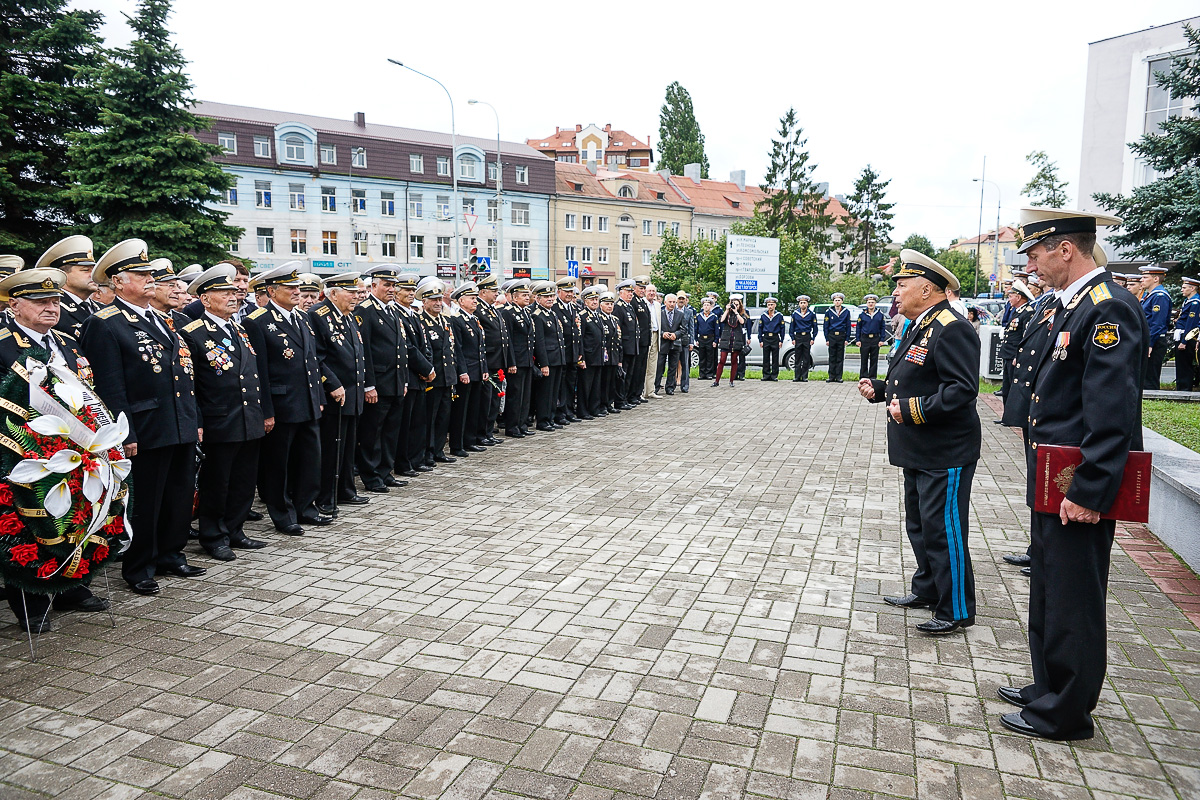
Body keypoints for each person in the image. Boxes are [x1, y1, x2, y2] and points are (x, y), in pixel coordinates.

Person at [997, 207, 1145, 742]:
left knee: (1074, 595)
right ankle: (1049, 685)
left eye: (1035, 254)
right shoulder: (1071, 305)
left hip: (1076, 483)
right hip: (1051, 477)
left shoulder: (1108, 309)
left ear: (1065, 248)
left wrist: (1088, 490)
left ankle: (1067, 710)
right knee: (1050, 587)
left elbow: (1111, 414)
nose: (1031, 267)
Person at [858, 249, 980, 636]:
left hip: (944, 449)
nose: (897, 292)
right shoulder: (919, 324)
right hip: (919, 447)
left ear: (927, 289)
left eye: (903, 284)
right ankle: (927, 589)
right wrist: (880, 390)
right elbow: (915, 376)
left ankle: (956, 608)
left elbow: (961, 389)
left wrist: (910, 409)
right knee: (920, 525)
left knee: (944, 529)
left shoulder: (951, 326)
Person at [80, 239, 204, 596]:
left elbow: (182, 375)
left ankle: (170, 553)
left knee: (179, 494)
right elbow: (109, 385)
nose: (150, 279)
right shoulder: (105, 323)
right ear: (118, 281)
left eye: (151, 274)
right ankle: (139, 566)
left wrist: (192, 419)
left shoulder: (164, 319)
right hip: (144, 427)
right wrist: (125, 432)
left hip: (177, 421)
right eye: (140, 274)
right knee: (146, 500)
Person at [0, 267, 109, 631]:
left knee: (73, 519)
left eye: (55, 300)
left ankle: (70, 588)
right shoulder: (3, 344)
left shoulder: (67, 342)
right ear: (14, 305)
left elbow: (88, 394)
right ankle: (30, 602)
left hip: (74, 451)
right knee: (28, 524)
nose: (51, 307)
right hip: (23, 449)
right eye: (40, 301)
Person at [178, 265, 267, 561]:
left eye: (234, 291)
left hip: (248, 417)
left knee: (244, 479)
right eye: (225, 292)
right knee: (218, 481)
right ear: (205, 298)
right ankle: (213, 535)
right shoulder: (193, 333)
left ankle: (235, 529)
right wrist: (199, 422)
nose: (234, 296)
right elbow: (191, 383)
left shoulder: (239, 329)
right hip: (219, 418)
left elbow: (253, 374)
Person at [243, 265, 329, 535]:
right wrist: (266, 411)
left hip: (307, 401)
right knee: (278, 465)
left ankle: (306, 507)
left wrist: (318, 397)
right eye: (290, 288)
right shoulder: (257, 321)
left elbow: (311, 362)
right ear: (271, 291)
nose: (297, 292)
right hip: (282, 405)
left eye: (298, 287)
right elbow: (261, 372)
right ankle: (283, 514)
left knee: (309, 459)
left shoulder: (302, 318)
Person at [308, 272, 369, 514]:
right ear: (333, 293)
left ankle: (345, 489)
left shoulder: (348, 317)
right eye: (350, 292)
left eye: (357, 292)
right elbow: (317, 356)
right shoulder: (318, 315)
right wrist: (331, 383)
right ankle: (326, 497)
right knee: (331, 447)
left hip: (352, 391)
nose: (356, 297)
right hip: (333, 393)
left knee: (347, 446)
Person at [354, 265, 408, 493]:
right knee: (372, 432)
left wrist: (403, 380)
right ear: (373, 285)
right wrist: (369, 384)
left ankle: (385, 472)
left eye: (394, 285)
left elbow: (400, 348)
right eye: (387, 285)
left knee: (390, 431)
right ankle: (371, 476)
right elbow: (363, 350)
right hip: (378, 382)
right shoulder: (365, 310)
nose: (391, 289)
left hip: (394, 381)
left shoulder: (391, 310)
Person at [417, 277, 458, 461]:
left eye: (440, 300)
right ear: (424, 302)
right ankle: (427, 452)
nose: (438, 303)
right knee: (429, 418)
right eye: (433, 300)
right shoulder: (421, 322)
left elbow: (451, 349)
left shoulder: (445, 321)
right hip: (432, 378)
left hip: (446, 377)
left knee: (444, 417)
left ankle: (439, 451)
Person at [448, 281, 488, 454]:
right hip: (466, 371)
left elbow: (480, 347)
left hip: (477, 370)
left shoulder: (474, 319)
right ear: (461, 301)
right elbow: (458, 348)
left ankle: (470, 440)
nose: (475, 301)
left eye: (476, 298)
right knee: (461, 409)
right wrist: (462, 371)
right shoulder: (457, 320)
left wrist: (484, 368)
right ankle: (457, 444)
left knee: (474, 408)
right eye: (471, 298)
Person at [36, 236, 100, 339]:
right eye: (85, 270)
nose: (92, 275)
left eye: (93, 270)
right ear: (63, 275)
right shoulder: (53, 310)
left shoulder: (101, 308)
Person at [474, 274, 510, 445]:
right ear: (483, 292)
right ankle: (481, 434)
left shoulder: (492, 309)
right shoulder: (479, 310)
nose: (496, 294)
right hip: (488, 361)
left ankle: (488, 432)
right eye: (493, 291)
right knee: (485, 402)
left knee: (494, 400)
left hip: (497, 361)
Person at [500, 279, 535, 438]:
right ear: (514, 298)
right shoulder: (508, 312)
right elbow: (508, 340)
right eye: (523, 295)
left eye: (528, 295)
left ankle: (522, 424)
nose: (527, 298)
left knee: (525, 394)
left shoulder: (526, 312)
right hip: (516, 361)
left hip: (526, 360)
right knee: (515, 394)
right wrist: (511, 362)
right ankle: (512, 426)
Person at [529, 281, 563, 431]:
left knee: (554, 391)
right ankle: (543, 420)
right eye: (546, 296)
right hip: (548, 360)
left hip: (557, 358)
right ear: (538, 299)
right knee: (545, 392)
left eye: (551, 296)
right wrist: (543, 364)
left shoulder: (552, 313)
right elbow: (540, 342)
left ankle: (551, 417)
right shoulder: (538, 316)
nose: (550, 299)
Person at [998, 280, 1035, 406]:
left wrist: (1018, 355)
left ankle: (1011, 415)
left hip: (1014, 354)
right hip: (1008, 353)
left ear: (1018, 297)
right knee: (1006, 385)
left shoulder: (1028, 312)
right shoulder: (1017, 311)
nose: (1009, 299)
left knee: (1014, 386)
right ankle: (1006, 415)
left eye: (1010, 296)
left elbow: (1025, 336)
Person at [1139, 264, 1172, 390]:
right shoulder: (1151, 295)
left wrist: (1150, 344)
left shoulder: (1160, 296)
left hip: (1155, 340)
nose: (1141, 279)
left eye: (1145, 277)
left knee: (1150, 377)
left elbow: (1157, 323)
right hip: (1149, 339)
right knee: (1146, 374)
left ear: (1156, 279)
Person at [576, 285, 606, 417]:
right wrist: (581, 358)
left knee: (596, 385)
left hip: (598, 355)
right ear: (585, 301)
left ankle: (594, 408)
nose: (595, 302)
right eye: (591, 299)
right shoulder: (583, 315)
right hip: (588, 356)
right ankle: (583, 411)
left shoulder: (597, 315)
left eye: (596, 299)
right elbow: (580, 338)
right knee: (585, 386)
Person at [553, 278, 580, 423]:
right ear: (559, 292)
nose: (570, 294)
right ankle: (560, 412)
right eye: (567, 291)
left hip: (573, 353)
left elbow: (577, 331)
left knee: (570, 383)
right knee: (561, 385)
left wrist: (579, 351)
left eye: (572, 291)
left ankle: (569, 411)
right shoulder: (555, 308)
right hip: (561, 353)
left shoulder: (573, 308)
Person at [612, 280, 640, 409]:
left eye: (631, 292)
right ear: (621, 292)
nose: (631, 294)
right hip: (624, 347)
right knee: (622, 375)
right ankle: (620, 400)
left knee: (629, 375)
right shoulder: (618, 307)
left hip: (632, 347)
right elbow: (618, 329)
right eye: (628, 292)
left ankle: (626, 397)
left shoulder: (629, 306)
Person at [713, 293, 748, 387]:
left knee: (734, 360)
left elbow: (742, 321)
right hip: (726, 339)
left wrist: (736, 312)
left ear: (740, 305)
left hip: (736, 340)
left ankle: (731, 381)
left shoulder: (742, 314)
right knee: (722, 360)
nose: (734, 306)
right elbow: (721, 320)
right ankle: (716, 381)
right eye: (733, 304)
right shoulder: (727, 313)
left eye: (737, 304)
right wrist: (727, 310)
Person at [655, 293, 685, 395]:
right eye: (670, 302)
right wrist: (663, 334)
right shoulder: (660, 314)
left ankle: (670, 387)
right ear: (665, 302)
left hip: (675, 344)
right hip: (663, 343)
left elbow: (683, 329)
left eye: (673, 302)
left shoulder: (680, 314)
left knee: (673, 366)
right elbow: (656, 327)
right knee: (659, 366)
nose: (672, 304)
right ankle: (656, 386)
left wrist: (676, 334)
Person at [1175, 276, 1199, 392]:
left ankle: (1185, 388)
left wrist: (1184, 341)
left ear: (1192, 288)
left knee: (1185, 365)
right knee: (1180, 364)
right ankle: (1181, 387)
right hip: (1183, 334)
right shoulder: (1188, 301)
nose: (1182, 290)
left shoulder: (1195, 303)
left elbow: (1191, 324)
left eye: (1184, 287)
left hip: (1188, 336)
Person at [630, 277, 652, 404]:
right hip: (637, 342)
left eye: (644, 288)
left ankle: (638, 393)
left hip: (645, 341)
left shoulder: (642, 302)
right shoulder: (633, 302)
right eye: (640, 288)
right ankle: (632, 394)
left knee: (642, 369)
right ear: (634, 288)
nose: (643, 291)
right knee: (636, 369)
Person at [855, 294, 885, 381]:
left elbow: (882, 327)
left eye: (872, 302)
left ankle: (872, 377)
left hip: (875, 338)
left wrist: (882, 339)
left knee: (874, 359)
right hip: (865, 339)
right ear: (866, 304)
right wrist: (858, 339)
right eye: (869, 302)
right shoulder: (862, 315)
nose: (871, 304)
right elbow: (858, 328)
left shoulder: (879, 314)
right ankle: (863, 376)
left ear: (875, 303)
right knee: (864, 359)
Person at [789, 295, 817, 382]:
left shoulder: (811, 314)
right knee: (797, 357)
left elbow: (815, 327)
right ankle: (797, 376)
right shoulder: (795, 314)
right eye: (801, 303)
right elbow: (791, 327)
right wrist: (793, 338)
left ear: (807, 304)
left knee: (806, 357)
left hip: (807, 337)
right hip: (798, 336)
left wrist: (813, 338)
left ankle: (805, 376)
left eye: (804, 303)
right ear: (799, 304)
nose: (803, 304)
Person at [824, 293, 850, 383]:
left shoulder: (846, 311)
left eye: (839, 300)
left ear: (842, 301)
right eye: (836, 300)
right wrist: (826, 338)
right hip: (832, 335)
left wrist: (847, 338)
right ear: (833, 301)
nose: (837, 302)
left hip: (841, 336)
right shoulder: (829, 311)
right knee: (832, 357)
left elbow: (848, 326)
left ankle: (839, 376)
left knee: (840, 357)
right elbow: (826, 326)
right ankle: (831, 376)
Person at [642, 283, 662, 399]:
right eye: (649, 291)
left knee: (653, 365)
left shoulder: (657, 305)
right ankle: (642, 391)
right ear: (645, 291)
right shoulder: (642, 304)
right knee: (644, 365)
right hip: (646, 336)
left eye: (653, 291)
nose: (651, 293)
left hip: (656, 335)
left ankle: (650, 391)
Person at [758, 297, 784, 381]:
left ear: (775, 305)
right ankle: (766, 375)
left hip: (775, 337)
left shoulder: (779, 316)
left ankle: (774, 375)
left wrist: (781, 340)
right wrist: (760, 340)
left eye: (772, 305)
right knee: (766, 358)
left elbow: (782, 328)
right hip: (766, 337)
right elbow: (760, 328)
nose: (770, 306)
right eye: (768, 305)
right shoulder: (763, 316)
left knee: (775, 358)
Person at [695, 297, 719, 380]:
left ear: (710, 306)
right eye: (704, 305)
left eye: (708, 305)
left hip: (710, 338)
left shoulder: (714, 317)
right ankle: (702, 373)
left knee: (710, 357)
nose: (706, 307)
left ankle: (709, 373)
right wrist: (696, 339)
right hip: (701, 338)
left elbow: (716, 330)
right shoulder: (699, 316)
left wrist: (716, 340)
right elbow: (696, 328)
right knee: (702, 356)